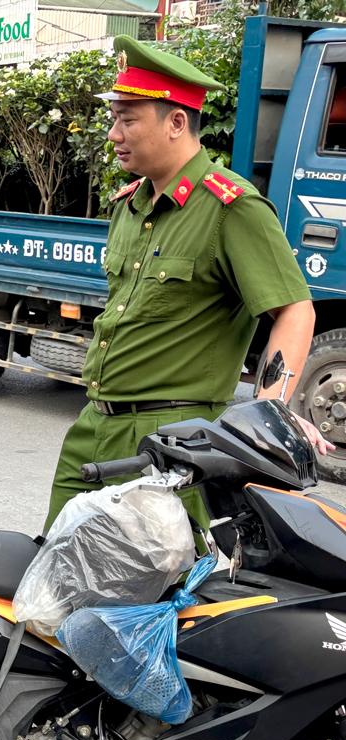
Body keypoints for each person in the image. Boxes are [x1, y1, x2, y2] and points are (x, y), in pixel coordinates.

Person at [44, 36, 328, 530]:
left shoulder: (230, 208)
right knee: (55, 570)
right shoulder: (130, 206)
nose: (114, 134)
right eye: (114, 118)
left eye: (128, 119)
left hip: (170, 439)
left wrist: (269, 412)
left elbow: (294, 310)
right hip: (94, 423)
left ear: (177, 122)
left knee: (151, 596)